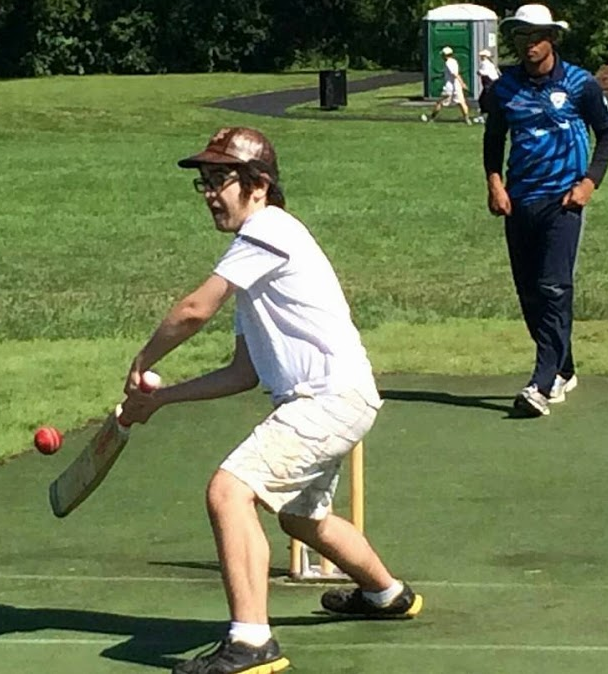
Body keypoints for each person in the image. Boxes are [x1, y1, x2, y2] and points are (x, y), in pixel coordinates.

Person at [121, 126, 423, 674]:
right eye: (205, 182)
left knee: (228, 492)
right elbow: (242, 373)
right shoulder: (256, 261)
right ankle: (387, 594)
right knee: (303, 520)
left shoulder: (268, 229)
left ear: (258, 185)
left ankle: (252, 642)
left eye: (221, 179)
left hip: (324, 400)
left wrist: (142, 363)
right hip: (337, 399)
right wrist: (161, 401)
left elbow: (194, 309)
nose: (211, 192)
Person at [483, 4, 608, 417]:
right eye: (521, 36)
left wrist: (589, 183)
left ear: (552, 38)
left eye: (536, 36)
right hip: (519, 201)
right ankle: (564, 367)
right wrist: (494, 182)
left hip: (563, 201)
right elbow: (494, 138)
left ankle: (541, 384)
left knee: (554, 288)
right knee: (530, 293)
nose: (528, 44)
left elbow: (607, 134)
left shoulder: (580, 84)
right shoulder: (506, 88)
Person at [421, 46, 473, 125]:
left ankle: (432, 118)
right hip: (457, 86)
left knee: (440, 102)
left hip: (450, 87)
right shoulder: (454, 61)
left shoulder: (448, 63)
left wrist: (462, 83)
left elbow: (455, 74)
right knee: (462, 103)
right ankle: (467, 119)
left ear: (445, 55)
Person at [474, 49, 500, 123]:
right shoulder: (490, 63)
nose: (481, 57)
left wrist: (479, 72)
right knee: (484, 99)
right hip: (492, 82)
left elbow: (484, 73)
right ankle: (483, 115)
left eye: (482, 56)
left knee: (484, 100)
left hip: (489, 83)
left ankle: (484, 116)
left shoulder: (485, 63)